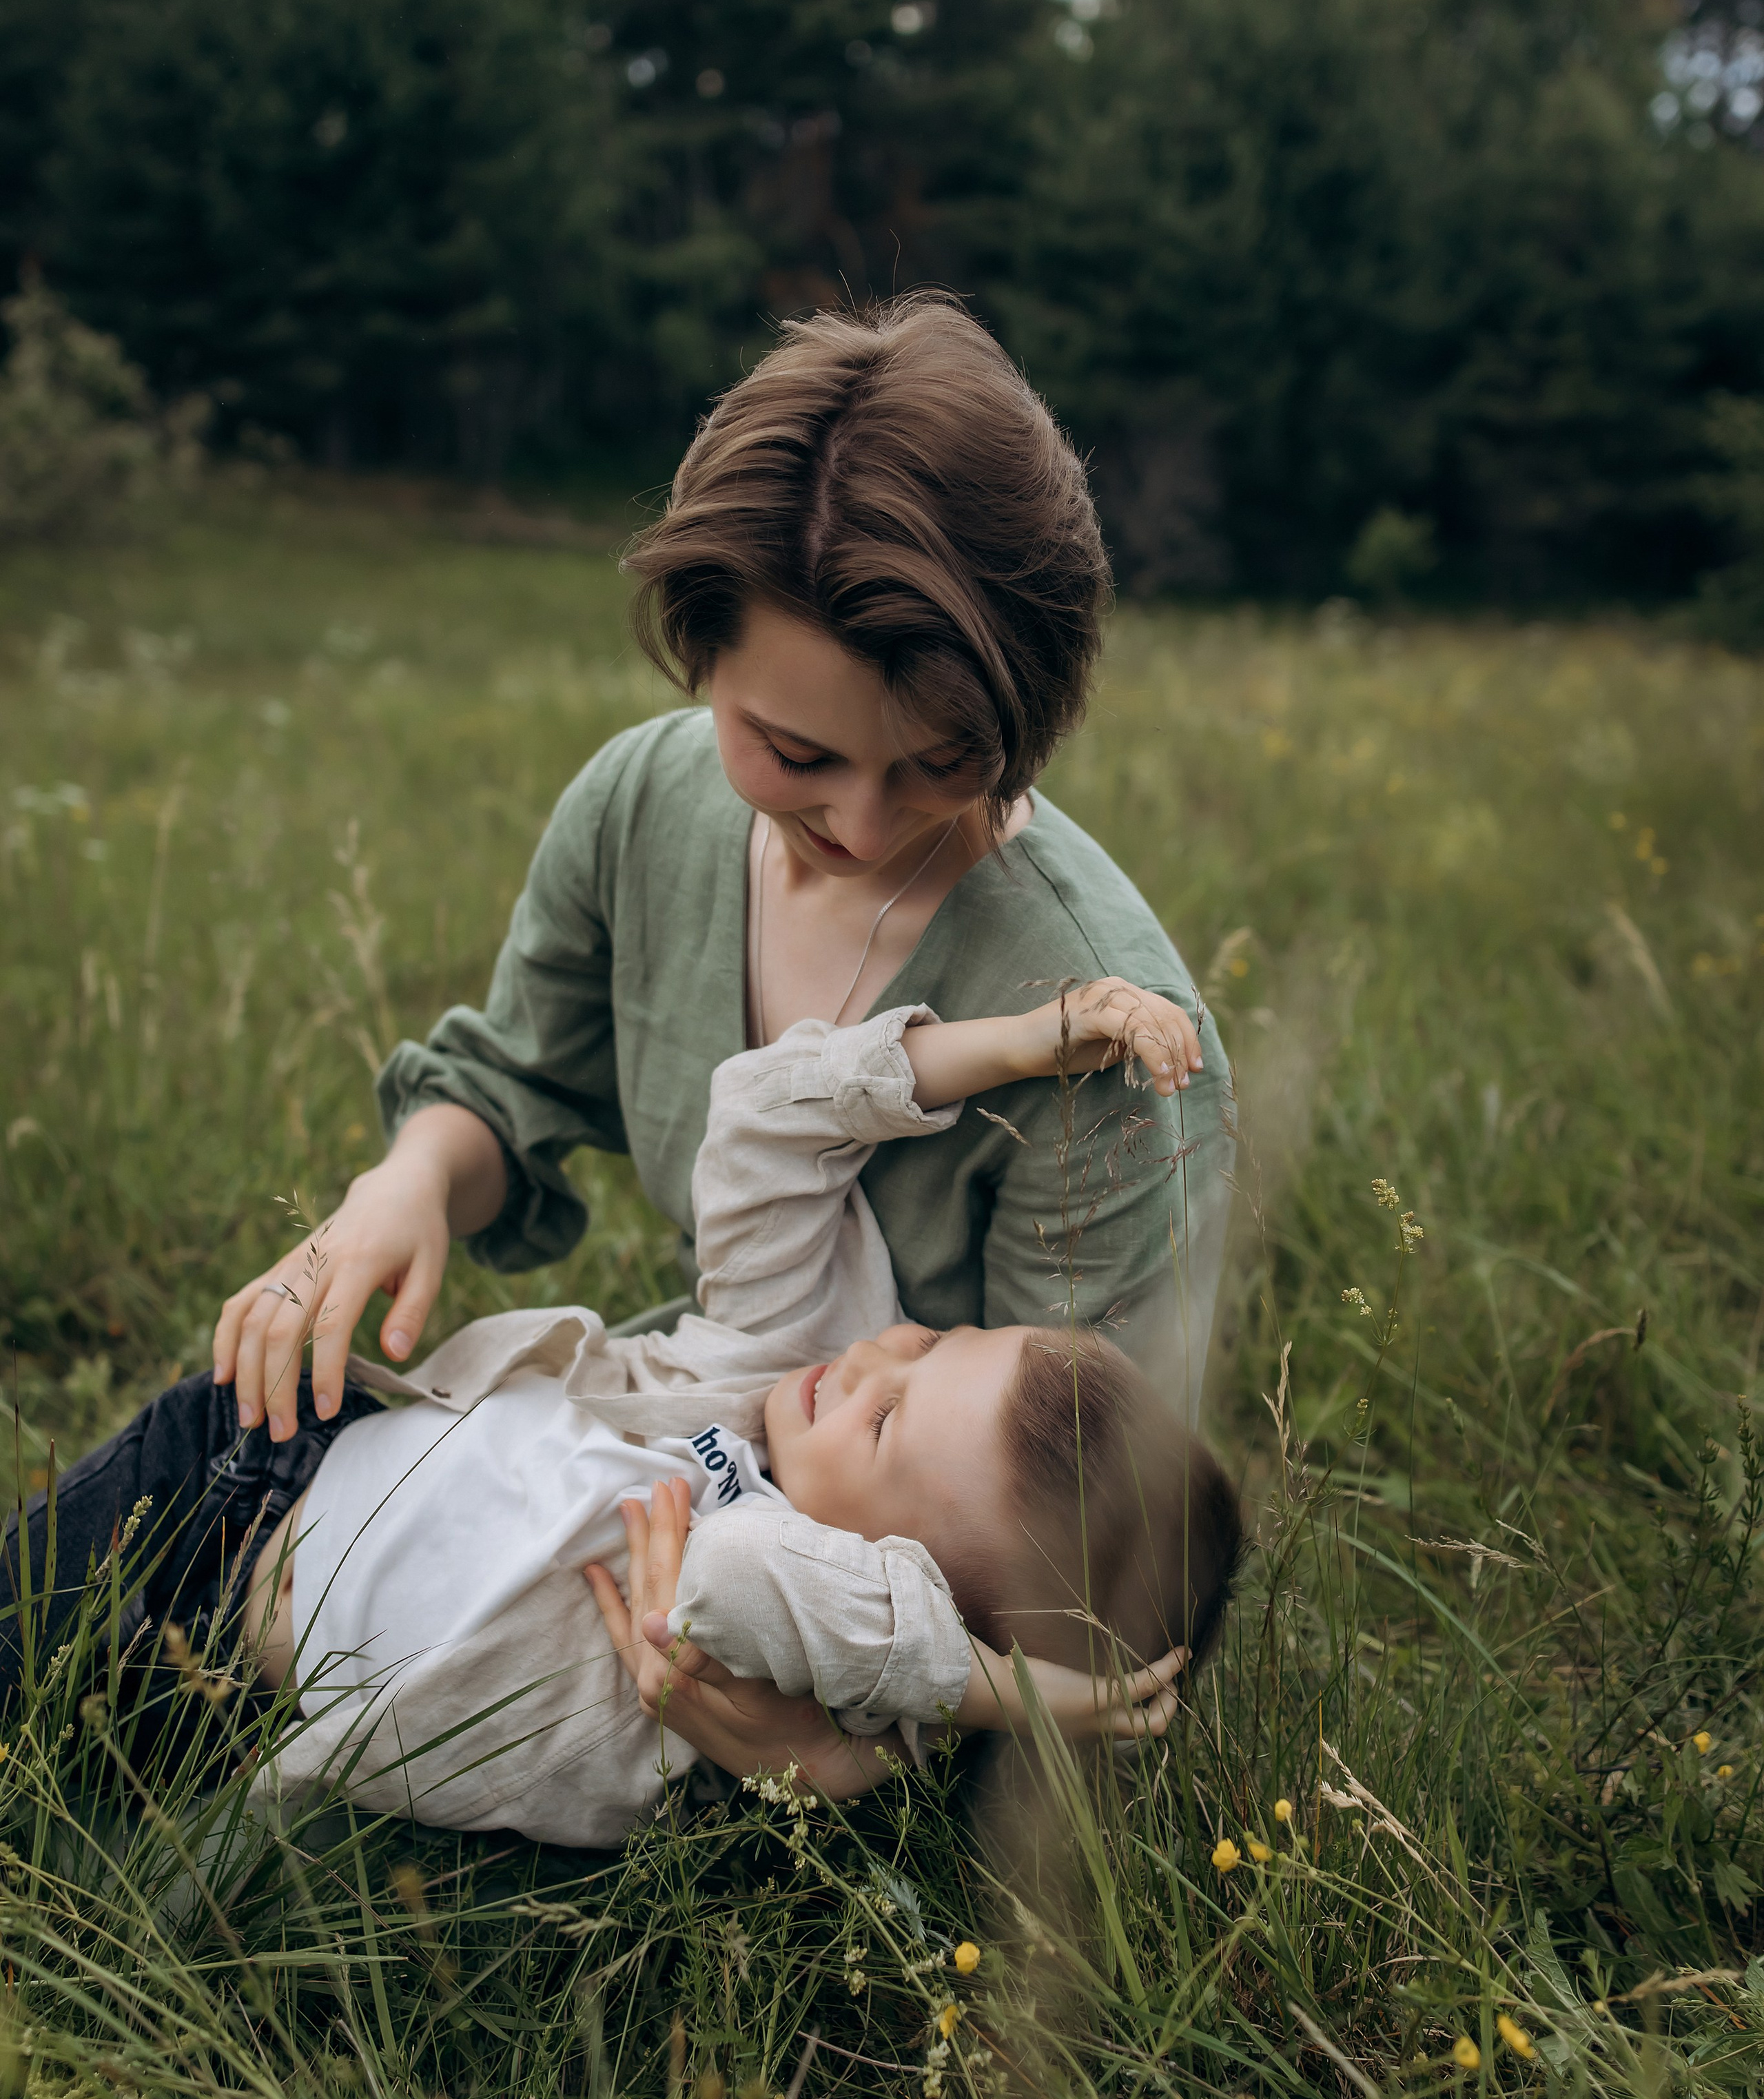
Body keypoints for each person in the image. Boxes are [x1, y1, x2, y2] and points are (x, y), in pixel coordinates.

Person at [212, 298, 1234, 1454]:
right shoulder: (641, 807)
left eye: (942, 764)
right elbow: (511, 1089)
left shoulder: (1108, 1028)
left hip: (863, 1580)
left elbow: (1093, 1526)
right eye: (797, 754)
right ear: (699, 650)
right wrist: (407, 1185)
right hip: (674, 1429)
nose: (859, 823)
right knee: (218, 1442)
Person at [3, 983, 1240, 1847]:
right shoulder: (781, 1374)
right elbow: (763, 1117)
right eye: (927, 1342)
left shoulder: (814, 1657)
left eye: (884, 1425)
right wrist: (1021, 1042)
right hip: (243, 1468)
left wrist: (1007, 1693)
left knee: (62, 1836)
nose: (867, 1364)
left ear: (905, 1586)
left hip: (242, 1675)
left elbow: (754, 1574)